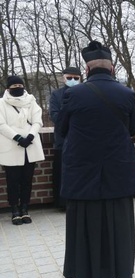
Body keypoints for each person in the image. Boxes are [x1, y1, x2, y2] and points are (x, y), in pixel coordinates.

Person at [60, 40, 135, 278]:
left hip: (83, 170)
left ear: (87, 69)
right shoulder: (127, 94)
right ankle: (123, 273)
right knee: (119, 221)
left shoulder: (72, 93)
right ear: (112, 68)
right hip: (118, 167)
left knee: (84, 222)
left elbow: (61, 130)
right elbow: (133, 130)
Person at [0, 75, 45, 225]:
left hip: (29, 147)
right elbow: (1, 125)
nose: (18, 89)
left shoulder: (31, 102)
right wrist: (18, 138)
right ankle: (14, 210)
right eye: (14, 87)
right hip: (11, 146)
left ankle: (25, 208)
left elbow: (37, 121)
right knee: (12, 181)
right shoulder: (1, 103)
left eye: (20, 86)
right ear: (8, 89)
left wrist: (30, 136)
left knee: (27, 180)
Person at [49, 66, 82, 209]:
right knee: (63, 173)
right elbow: (55, 115)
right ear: (63, 78)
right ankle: (63, 203)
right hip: (63, 139)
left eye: (76, 78)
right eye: (69, 78)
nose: (73, 80)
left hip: (82, 140)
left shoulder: (86, 92)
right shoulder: (56, 95)